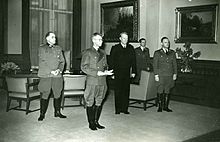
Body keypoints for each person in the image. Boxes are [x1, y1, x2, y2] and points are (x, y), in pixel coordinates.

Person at [81, 33, 113, 131]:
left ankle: (96, 121)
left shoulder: (103, 52)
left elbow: (105, 65)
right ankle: (91, 123)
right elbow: (84, 67)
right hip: (92, 80)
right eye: (98, 39)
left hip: (102, 81)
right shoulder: (88, 52)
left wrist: (106, 71)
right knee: (90, 101)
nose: (101, 41)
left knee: (99, 101)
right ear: (93, 40)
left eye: (101, 40)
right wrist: (97, 73)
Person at [37, 31, 67, 121]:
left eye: (55, 37)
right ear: (47, 38)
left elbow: (62, 61)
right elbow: (42, 62)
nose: (55, 38)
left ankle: (57, 112)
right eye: (52, 37)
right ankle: (42, 114)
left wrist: (59, 70)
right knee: (45, 94)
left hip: (57, 75)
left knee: (57, 93)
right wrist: (51, 71)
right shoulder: (42, 48)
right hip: (46, 75)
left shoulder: (58, 48)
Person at [109, 32, 136, 115]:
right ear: (120, 38)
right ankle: (118, 109)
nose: (126, 40)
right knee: (118, 91)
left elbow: (134, 61)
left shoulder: (131, 48)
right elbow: (111, 61)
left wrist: (134, 71)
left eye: (127, 38)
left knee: (126, 91)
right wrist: (112, 73)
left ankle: (125, 109)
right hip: (117, 73)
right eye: (124, 38)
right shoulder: (115, 48)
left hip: (127, 73)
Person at [153, 37, 177, 112]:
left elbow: (174, 64)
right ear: (162, 43)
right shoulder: (157, 53)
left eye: (168, 42)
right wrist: (156, 75)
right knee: (160, 90)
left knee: (167, 90)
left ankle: (165, 107)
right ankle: (160, 107)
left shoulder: (172, 52)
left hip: (169, 75)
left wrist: (175, 73)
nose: (167, 44)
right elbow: (155, 64)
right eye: (165, 42)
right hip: (161, 75)